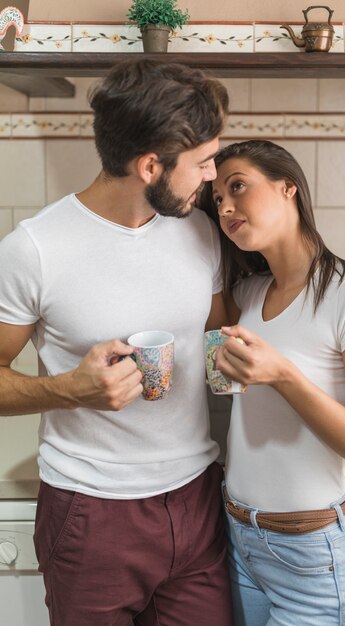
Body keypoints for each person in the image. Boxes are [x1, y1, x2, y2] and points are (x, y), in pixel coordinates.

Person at [0, 60, 235, 626]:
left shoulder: (200, 229)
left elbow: (215, 343)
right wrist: (71, 390)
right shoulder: (33, 249)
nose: (211, 177)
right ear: (150, 165)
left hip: (196, 498)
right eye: (202, 163)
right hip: (90, 514)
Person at [200, 139, 345, 626]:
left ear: (288, 187)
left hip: (316, 559)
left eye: (238, 187)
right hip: (241, 544)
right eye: (216, 200)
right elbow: (217, 375)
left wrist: (285, 376)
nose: (226, 205)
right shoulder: (248, 294)